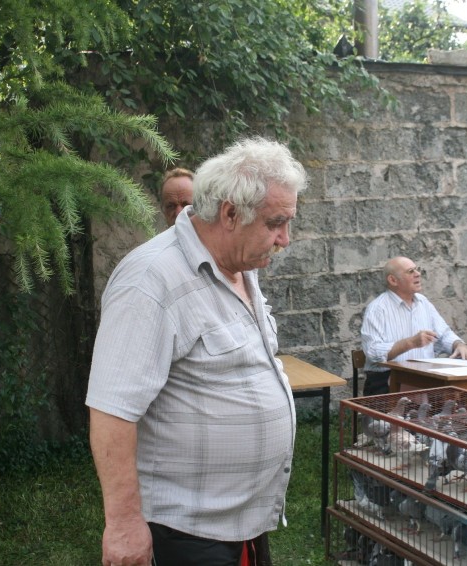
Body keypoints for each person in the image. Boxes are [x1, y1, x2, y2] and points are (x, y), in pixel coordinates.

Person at [86, 137, 306, 566]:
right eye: (276, 223)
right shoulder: (150, 280)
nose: (285, 239)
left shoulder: (237, 263)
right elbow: (112, 411)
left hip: (238, 522)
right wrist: (124, 524)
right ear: (230, 213)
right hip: (184, 531)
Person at [360, 256, 467, 396]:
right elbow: (373, 352)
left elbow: (444, 333)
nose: (418, 274)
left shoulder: (423, 302)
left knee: (462, 395)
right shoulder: (378, 309)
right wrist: (410, 343)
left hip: (424, 378)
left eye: (417, 269)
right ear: (393, 280)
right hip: (388, 381)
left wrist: (459, 345)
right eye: (410, 271)